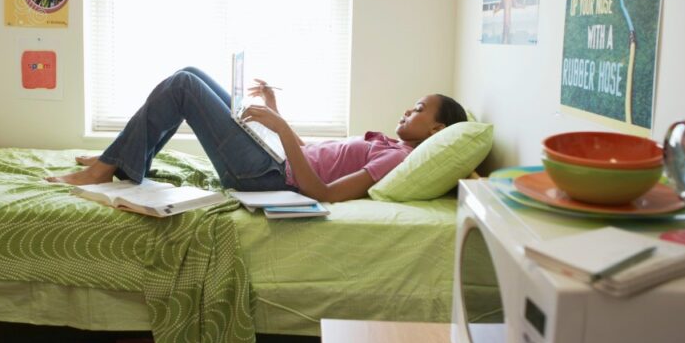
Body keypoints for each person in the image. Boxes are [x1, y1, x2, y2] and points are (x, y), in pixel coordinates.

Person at [47, 67, 468, 202]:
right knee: (192, 74)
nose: (407, 110)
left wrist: (279, 129)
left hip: (266, 178)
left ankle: (109, 168)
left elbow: (324, 193)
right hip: (275, 162)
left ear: (437, 130)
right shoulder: (390, 145)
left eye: (418, 109)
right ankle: (123, 160)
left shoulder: (399, 157)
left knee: (182, 86)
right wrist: (277, 113)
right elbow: (314, 155)